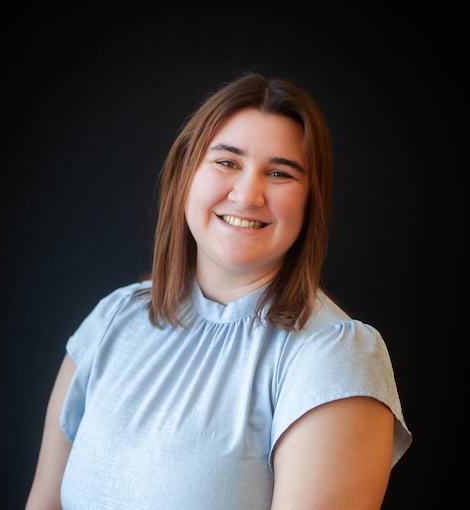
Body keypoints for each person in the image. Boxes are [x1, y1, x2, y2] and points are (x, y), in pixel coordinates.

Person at [25, 72, 412, 509]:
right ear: (185, 174)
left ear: (310, 202)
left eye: (280, 172)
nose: (247, 195)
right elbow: (44, 502)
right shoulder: (113, 319)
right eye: (227, 162)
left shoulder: (335, 357)